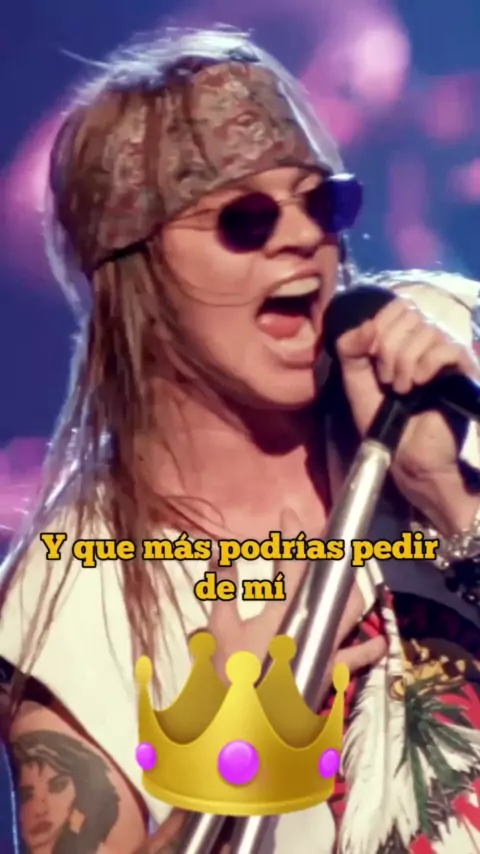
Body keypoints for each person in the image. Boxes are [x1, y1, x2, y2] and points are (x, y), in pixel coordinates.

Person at [1, 25, 480, 854]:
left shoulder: (439, 356)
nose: (304, 238)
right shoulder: (71, 600)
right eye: (246, 219)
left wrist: (449, 497)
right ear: (136, 273)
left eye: (322, 204)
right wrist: (239, 755)